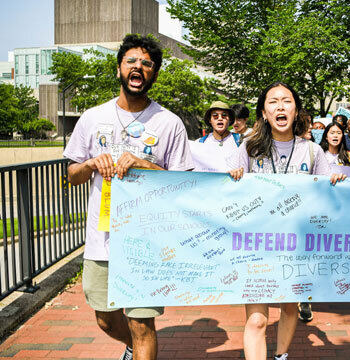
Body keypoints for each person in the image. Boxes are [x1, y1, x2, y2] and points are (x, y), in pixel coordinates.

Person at [63, 34, 194, 360]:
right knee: (105, 319)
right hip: (102, 239)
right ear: (120, 68)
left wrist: (146, 165)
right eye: (132, 61)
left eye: (147, 64)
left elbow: (184, 186)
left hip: (147, 241)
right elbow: (72, 175)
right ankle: (132, 348)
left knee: (142, 324)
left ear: (155, 74)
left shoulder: (169, 123)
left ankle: (138, 346)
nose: (139, 67)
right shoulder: (93, 117)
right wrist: (92, 163)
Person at [228, 82, 345, 360]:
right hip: (256, 245)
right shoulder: (248, 148)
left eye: (287, 101)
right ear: (264, 112)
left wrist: (336, 182)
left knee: (289, 308)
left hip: (296, 245)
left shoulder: (312, 151)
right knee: (257, 320)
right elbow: (227, 193)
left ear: (296, 110)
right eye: (272, 102)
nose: (280, 106)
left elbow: (328, 194)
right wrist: (231, 176)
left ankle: (281, 356)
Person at [189, 101, 242, 172]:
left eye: (224, 115)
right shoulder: (199, 143)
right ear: (210, 120)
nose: (220, 118)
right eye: (215, 116)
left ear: (229, 119)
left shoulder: (241, 141)